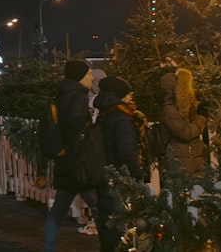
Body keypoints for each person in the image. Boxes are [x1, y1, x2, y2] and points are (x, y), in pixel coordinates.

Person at [42, 59, 99, 250]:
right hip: (79, 162)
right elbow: (75, 123)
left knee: (58, 210)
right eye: (89, 74)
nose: (92, 77)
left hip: (64, 160)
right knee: (101, 207)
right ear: (80, 76)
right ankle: (112, 245)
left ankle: (47, 247)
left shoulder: (62, 94)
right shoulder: (79, 96)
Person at [94, 75, 146, 252]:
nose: (131, 96)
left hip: (104, 175)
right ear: (121, 96)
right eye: (128, 93)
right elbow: (125, 152)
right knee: (118, 224)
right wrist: (138, 173)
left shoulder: (104, 115)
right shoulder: (122, 119)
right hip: (118, 177)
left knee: (107, 220)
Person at [160, 68, 208, 175]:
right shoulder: (170, 109)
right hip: (182, 165)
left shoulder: (185, 106)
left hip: (192, 161)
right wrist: (202, 119)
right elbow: (185, 133)